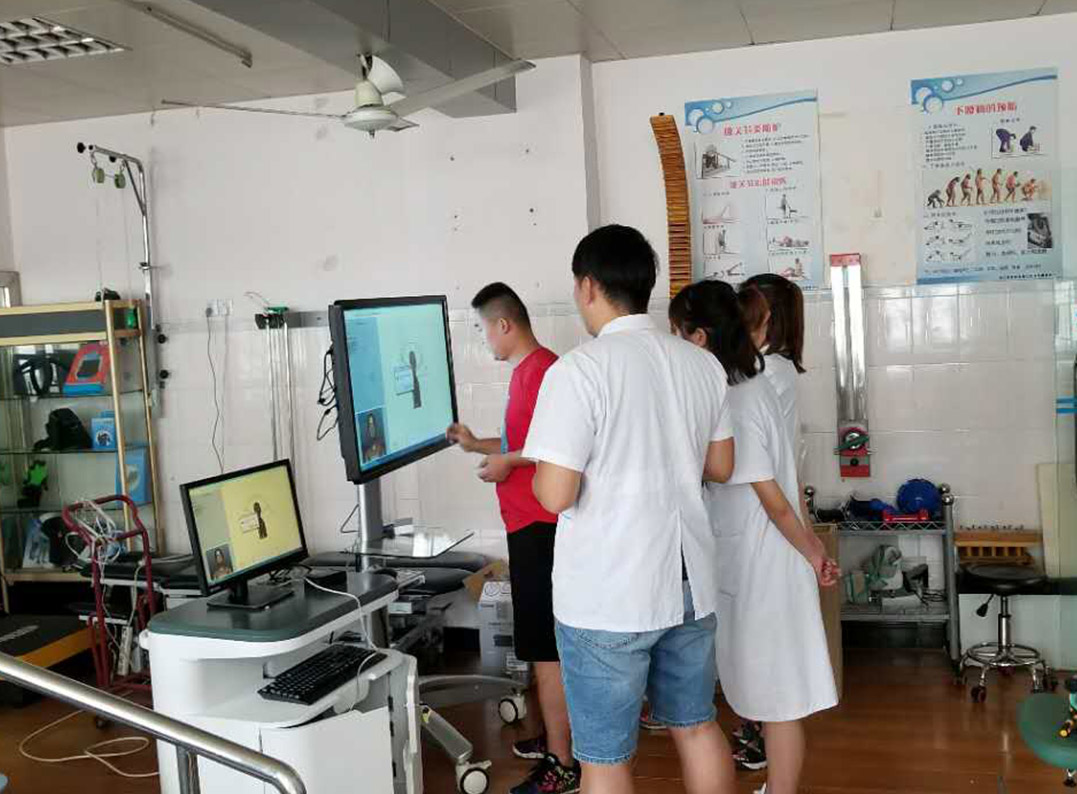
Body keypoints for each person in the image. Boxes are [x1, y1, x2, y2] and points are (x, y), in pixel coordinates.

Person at [523, 225, 738, 794]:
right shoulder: (701, 364)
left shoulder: (578, 371)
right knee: (697, 725)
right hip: (689, 584)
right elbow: (721, 466)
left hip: (610, 595)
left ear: (588, 286)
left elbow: (556, 495)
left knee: (605, 758)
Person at [673, 281, 839, 794]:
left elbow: (773, 499)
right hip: (765, 556)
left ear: (699, 337)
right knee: (777, 698)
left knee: (778, 700)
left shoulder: (739, 400)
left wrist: (811, 551)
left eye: (677, 332)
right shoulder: (753, 383)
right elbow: (786, 484)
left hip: (765, 561)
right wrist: (812, 548)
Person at [446, 283, 576, 794]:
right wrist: (476, 444)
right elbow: (522, 442)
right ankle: (554, 737)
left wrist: (504, 463)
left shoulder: (544, 371)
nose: (486, 342)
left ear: (504, 325)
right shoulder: (526, 373)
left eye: (485, 331)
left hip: (541, 527)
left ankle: (563, 763)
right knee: (541, 647)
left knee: (546, 651)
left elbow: (556, 447)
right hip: (526, 524)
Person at [729, 274, 810, 771]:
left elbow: (762, 468)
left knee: (770, 663)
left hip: (766, 521)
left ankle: (762, 737)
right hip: (766, 518)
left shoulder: (767, 374)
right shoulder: (767, 372)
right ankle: (758, 728)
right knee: (761, 653)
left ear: (764, 320)